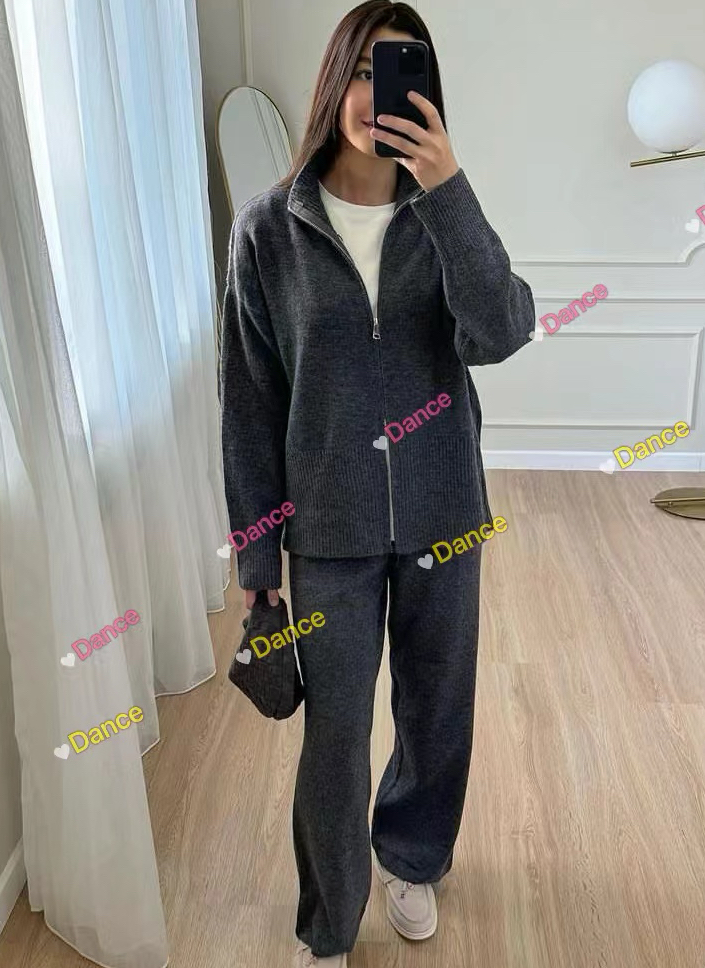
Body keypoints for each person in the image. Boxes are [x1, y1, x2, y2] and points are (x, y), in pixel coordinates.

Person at [219, 2, 535, 965]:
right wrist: (257, 557)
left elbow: (502, 332)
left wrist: (449, 193)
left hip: (444, 512)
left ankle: (412, 857)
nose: (374, 94)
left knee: (436, 706)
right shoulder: (268, 229)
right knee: (336, 732)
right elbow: (249, 404)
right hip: (327, 527)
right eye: (360, 70)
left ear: (424, 92)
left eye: (396, 73)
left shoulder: (443, 214)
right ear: (333, 83)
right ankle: (329, 924)